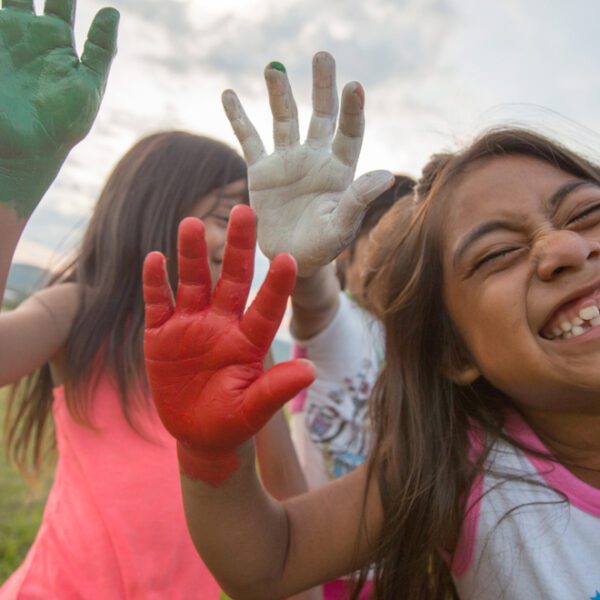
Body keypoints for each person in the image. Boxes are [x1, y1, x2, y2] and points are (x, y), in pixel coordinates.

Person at [143, 51, 600, 599]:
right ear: (454, 355)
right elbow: (268, 559)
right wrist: (209, 453)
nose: (566, 248)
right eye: (498, 254)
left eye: (586, 213)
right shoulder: (461, 470)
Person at [288, 175, 414, 600]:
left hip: (395, 562)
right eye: (390, 243)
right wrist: (307, 260)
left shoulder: (415, 338)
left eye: (419, 246)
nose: (406, 260)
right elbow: (314, 297)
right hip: (319, 561)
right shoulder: (342, 322)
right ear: (345, 249)